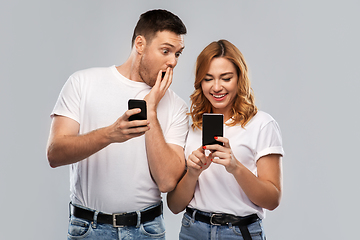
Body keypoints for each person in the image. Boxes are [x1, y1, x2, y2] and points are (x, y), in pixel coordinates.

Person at [46, 9, 188, 240]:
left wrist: (150, 107)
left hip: (146, 229)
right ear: (140, 45)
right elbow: (55, 154)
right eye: (165, 51)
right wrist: (110, 134)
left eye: (178, 54)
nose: (172, 61)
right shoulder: (83, 83)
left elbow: (167, 181)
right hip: (88, 228)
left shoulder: (176, 106)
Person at [167, 39, 284, 240]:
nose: (216, 87)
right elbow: (174, 205)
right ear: (200, 82)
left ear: (240, 78)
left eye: (226, 78)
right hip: (193, 230)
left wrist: (235, 167)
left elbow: (272, 199)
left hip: (239, 232)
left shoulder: (262, 124)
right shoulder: (193, 127)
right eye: (208, 78)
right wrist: (192, 173)